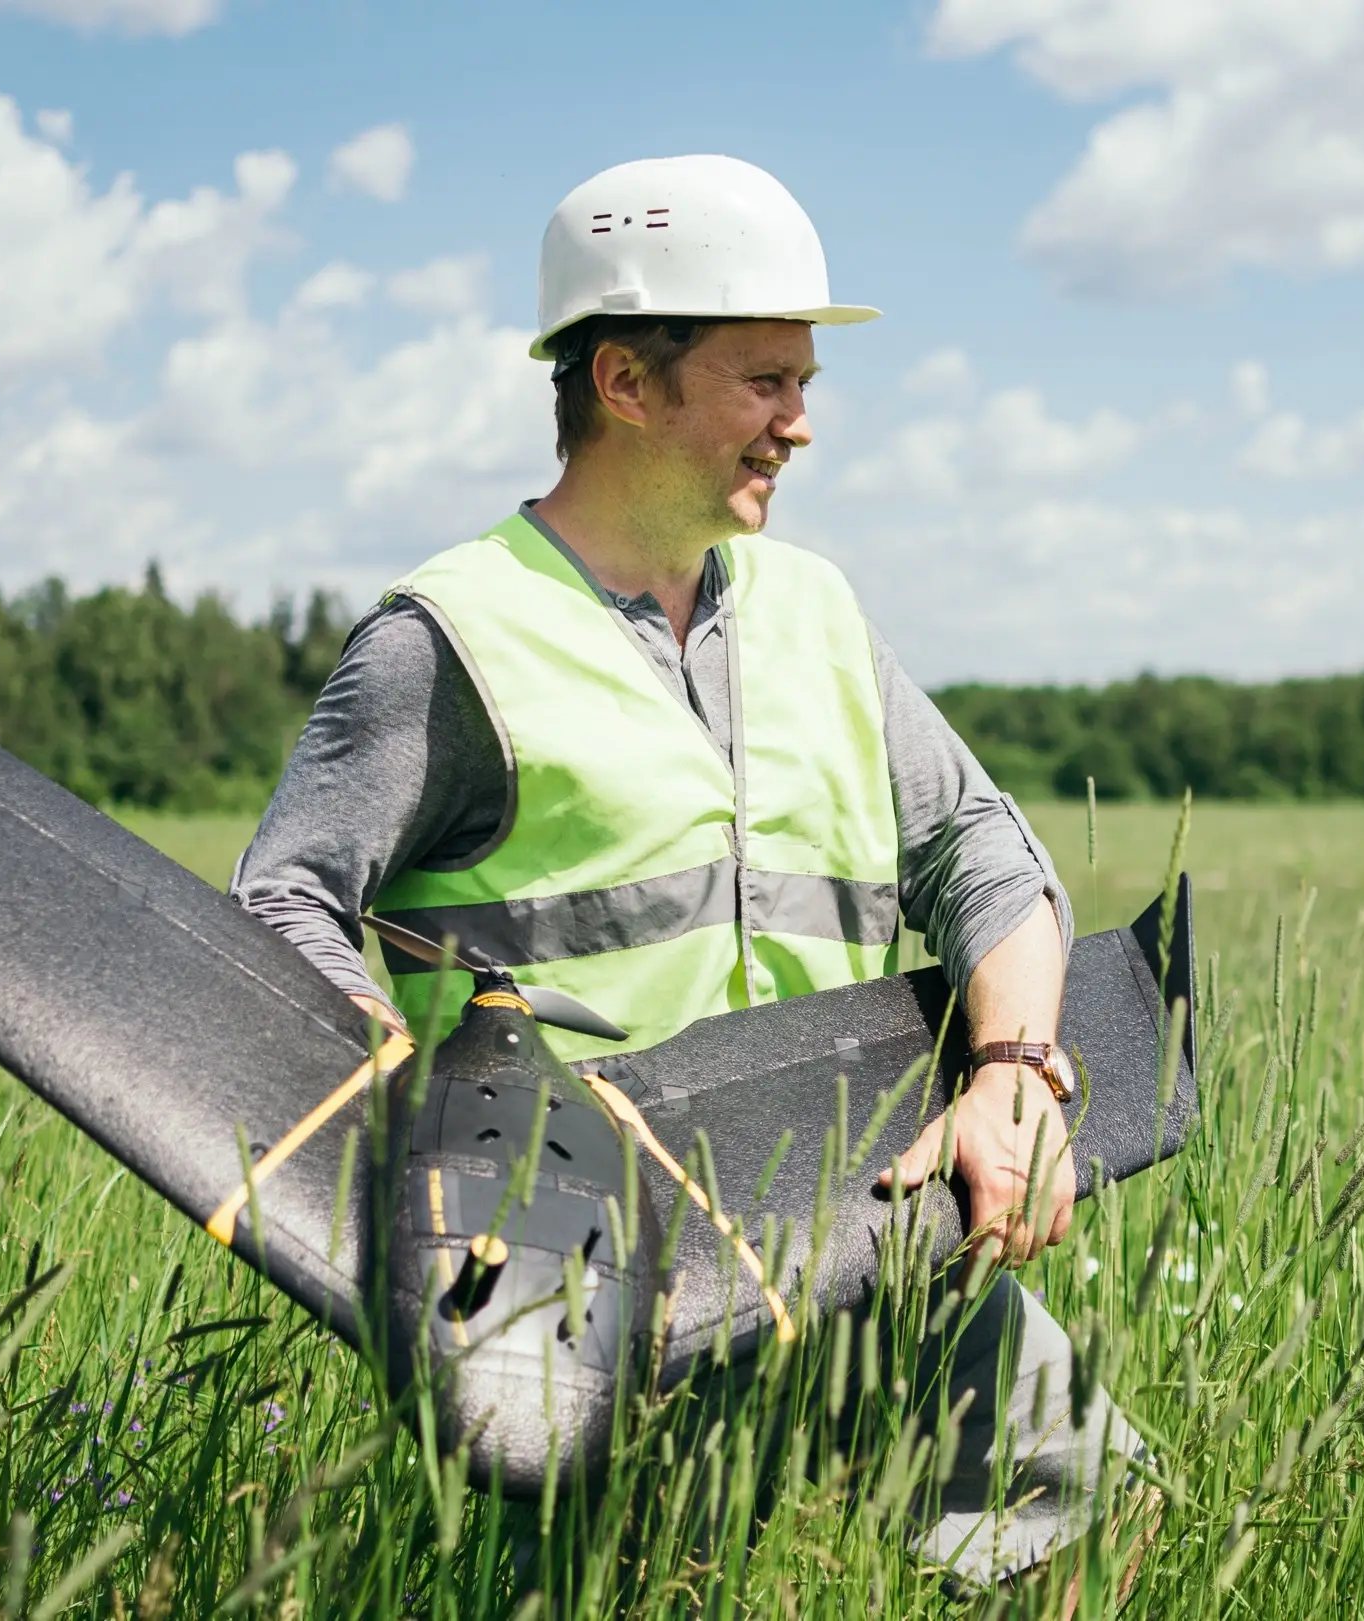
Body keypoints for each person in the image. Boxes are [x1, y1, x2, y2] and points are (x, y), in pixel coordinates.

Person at [234, 153, 1153, 1603]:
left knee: (1094, 1550)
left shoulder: (818, 611)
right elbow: (285, 905)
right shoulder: (449, 638)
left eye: (805, 383)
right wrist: (440, 1131)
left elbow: (983, 849)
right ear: (625, 383)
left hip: (879, 1226)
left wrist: (1019, 1073)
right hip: (580, 1287)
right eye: (763, 381)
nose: (799, 423)